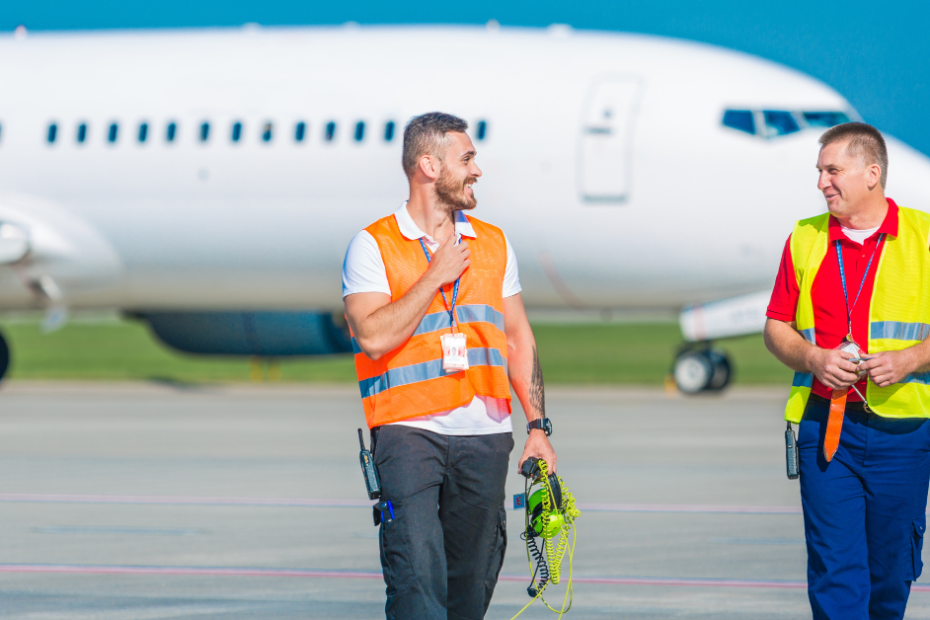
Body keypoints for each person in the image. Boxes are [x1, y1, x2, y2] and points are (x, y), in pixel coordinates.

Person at [342, 112, 556, 619]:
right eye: (467, 159)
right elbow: (373, 336)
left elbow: (517, 337)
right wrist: (433, 276)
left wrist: (538, 427)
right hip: (407, 435)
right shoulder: (373, 246)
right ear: (428, 166)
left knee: (470, 591)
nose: (477, 170)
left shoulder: (494, 244)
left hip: (485, 437)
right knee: (417, 585)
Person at [764, 122, 930, 619]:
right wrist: (815, 358)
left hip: (903, 434)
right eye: (819, 172)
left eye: (832, 171)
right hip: (824, 430)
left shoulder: (923, 238)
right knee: (836, 574)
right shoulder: (805, 238)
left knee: (890, 575)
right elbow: (776, 327)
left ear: (872, 173)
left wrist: (910, 359)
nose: (822, 183)